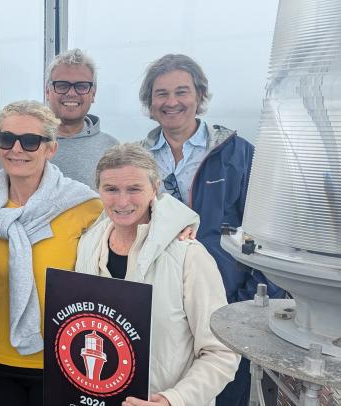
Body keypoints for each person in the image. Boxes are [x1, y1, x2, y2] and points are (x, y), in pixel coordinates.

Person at [137, 53, 283, 405]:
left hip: (225, 312)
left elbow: (271, 240)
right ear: (150, 102)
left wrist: (242, 309)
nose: (171, 102)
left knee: (220, 391)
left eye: (182, 91)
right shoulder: (137, 159)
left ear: (200, 96)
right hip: (160, 316)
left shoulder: (239, 155)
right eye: (161, 93)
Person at [75, 143, 240, 406]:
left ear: (155, 188)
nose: (122, 201)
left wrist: (172, 400)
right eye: (111, 189)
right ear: (99, 191)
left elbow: (221, 352)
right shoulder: (87, 245)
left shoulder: (188, 255)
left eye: (134, 189)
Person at [0, 100, 103, 406]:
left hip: (63, 358)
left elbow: (135, 221)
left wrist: (182, 225)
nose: (17, 149)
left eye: (31, 141)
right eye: (8, 139)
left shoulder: (84, 205)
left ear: (51, 149)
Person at [45, 48, 119, 188]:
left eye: (81, 86)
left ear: (93, 94)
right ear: (47, 92)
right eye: (62, 85)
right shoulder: (23, 143)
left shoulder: (112, 149)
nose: (71, 93)